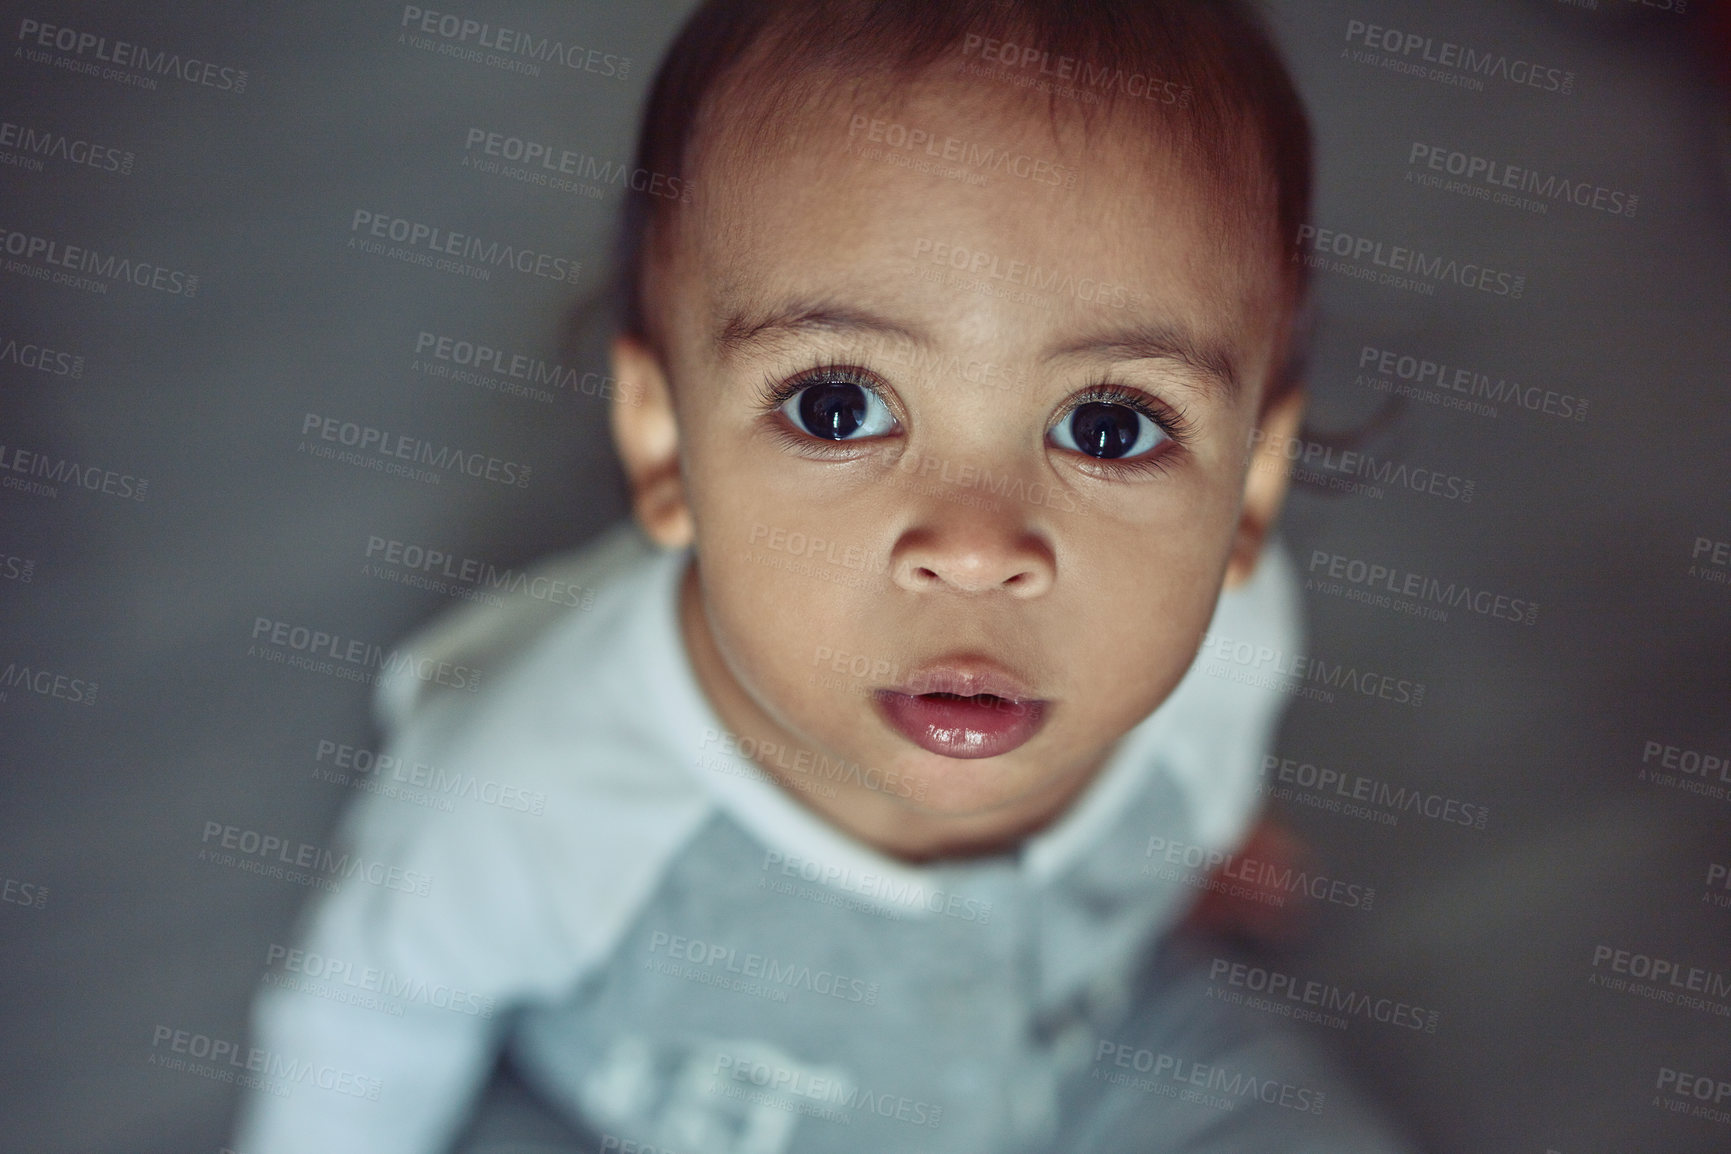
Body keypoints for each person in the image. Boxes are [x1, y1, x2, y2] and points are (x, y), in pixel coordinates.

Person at [235, 1, 1414, 1150]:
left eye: (1109, 426)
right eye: (835, 405)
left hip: (1079, 1041)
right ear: (663, 443)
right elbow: (371, 1012)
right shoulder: (538, 783)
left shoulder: (1231, 642)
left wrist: (1199, 831)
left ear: (1251, 483)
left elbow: (1212, 736)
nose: (975, 544)